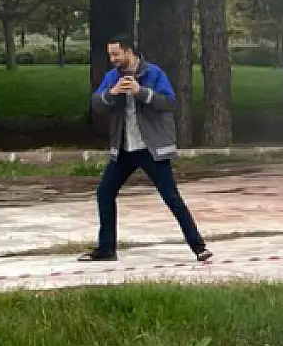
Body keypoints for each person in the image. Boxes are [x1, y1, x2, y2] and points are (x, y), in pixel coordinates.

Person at [80, 36, 210, 264]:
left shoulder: (153, 73)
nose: (112, 60)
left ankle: (198, 247)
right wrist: (112, 93)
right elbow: (97, 104)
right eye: (110, 55)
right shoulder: (113, 77)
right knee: (105, 193)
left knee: (171, 197)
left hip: (152, 148)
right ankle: (106, 249)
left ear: (129, 52)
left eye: (116, 54)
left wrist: (141, 92)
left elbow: (169, 102)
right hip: (124, 148)